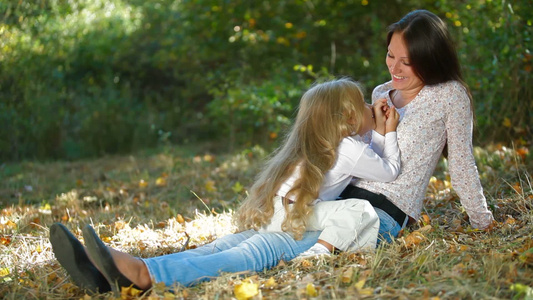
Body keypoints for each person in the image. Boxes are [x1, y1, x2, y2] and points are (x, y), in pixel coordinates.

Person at [49, 9, 494, 294]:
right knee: (243, 239)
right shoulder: (381, 91)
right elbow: (351, 153)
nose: (393, 69)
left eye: (405, 60)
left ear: (430, 58)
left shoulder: (450, 96)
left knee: (265, 247)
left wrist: (483, 221)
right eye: (389, 56)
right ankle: (114, 271)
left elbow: (462, 166)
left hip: (378, 218)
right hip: (335, 201)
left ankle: (144, 274)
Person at [252, 79, 400, 256]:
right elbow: (389, 171)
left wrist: (378, 129)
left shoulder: (321, 142)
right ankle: (319, 252)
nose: (370, 106)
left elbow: (369, 163)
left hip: (272, 211)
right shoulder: (350, 148)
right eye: (364, 103)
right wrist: (390, 131)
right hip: (291, 214)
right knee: (358, 210)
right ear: (351, 117)